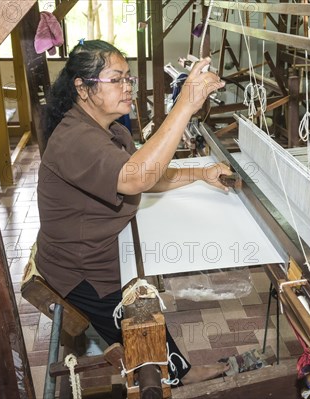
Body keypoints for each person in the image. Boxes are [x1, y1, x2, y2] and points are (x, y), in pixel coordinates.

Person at [36, 40, 229, 384]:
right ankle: (177, 376)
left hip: (96, 252)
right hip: (80, 271)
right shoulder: (74, 138)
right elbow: (135, 178)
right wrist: (184, 104)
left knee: (146, 306)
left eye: (129, 78)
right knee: (143, 322)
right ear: (82, 88)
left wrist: (200, 173)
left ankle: (179, 369)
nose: (127, 87)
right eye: (116, 79)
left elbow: (144, 174)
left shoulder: (109, 130)